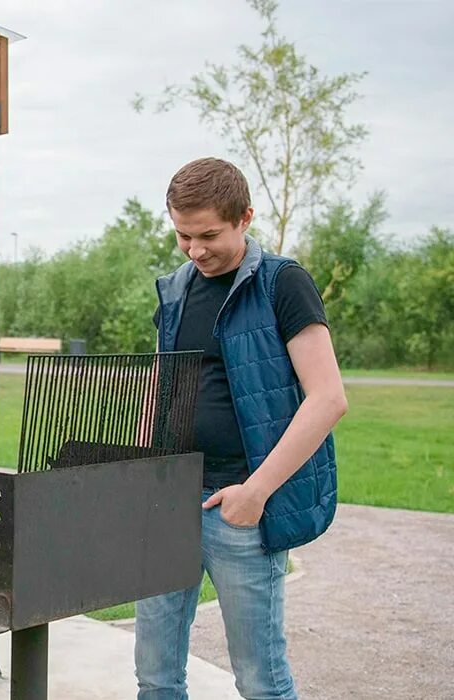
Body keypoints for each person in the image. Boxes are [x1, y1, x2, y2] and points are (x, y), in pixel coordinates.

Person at [135, 157, 348, 699]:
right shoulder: (177, 288)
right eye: (183, 235)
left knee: (260, 680)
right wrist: (137, 474)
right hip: (166, 503)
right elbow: (161, 389)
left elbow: (327, 399)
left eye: (208, 235)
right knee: (155, 677)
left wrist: (255, 492)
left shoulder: (283, 282)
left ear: (245, 217)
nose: (195, 249)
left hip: (240, 510)